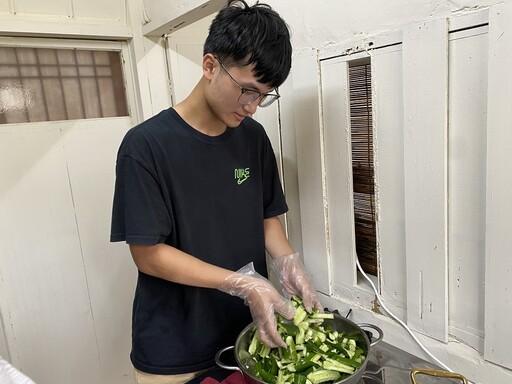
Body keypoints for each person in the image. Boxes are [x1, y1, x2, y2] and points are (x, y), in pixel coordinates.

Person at [110, 1, 322, 383]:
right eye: (247, 90)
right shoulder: (145, 146)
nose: (252, 107)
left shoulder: (253, 138)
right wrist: (241, 282)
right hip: (175, 348)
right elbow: (148, 255)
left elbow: (266, 217)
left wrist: (289, 263)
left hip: (249, 333)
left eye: (263, 96)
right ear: (210, 66)